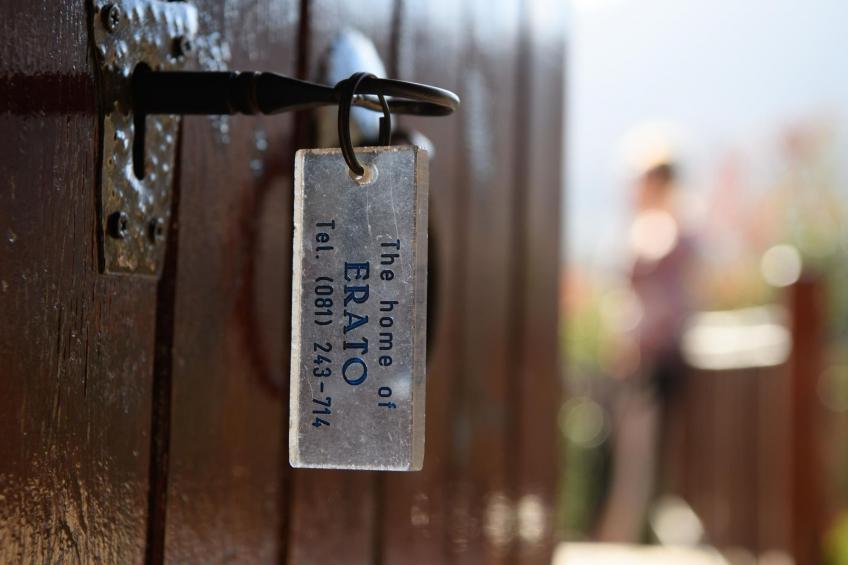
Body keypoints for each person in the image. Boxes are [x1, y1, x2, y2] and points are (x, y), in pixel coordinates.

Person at [596, 160, 698, 542]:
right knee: (635, 449)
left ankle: (627, 533)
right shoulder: (657, 225)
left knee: (642, 450)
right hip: (644, 355)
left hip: (656, 356)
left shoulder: (667, 226)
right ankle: (625, 530)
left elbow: (653, 267)